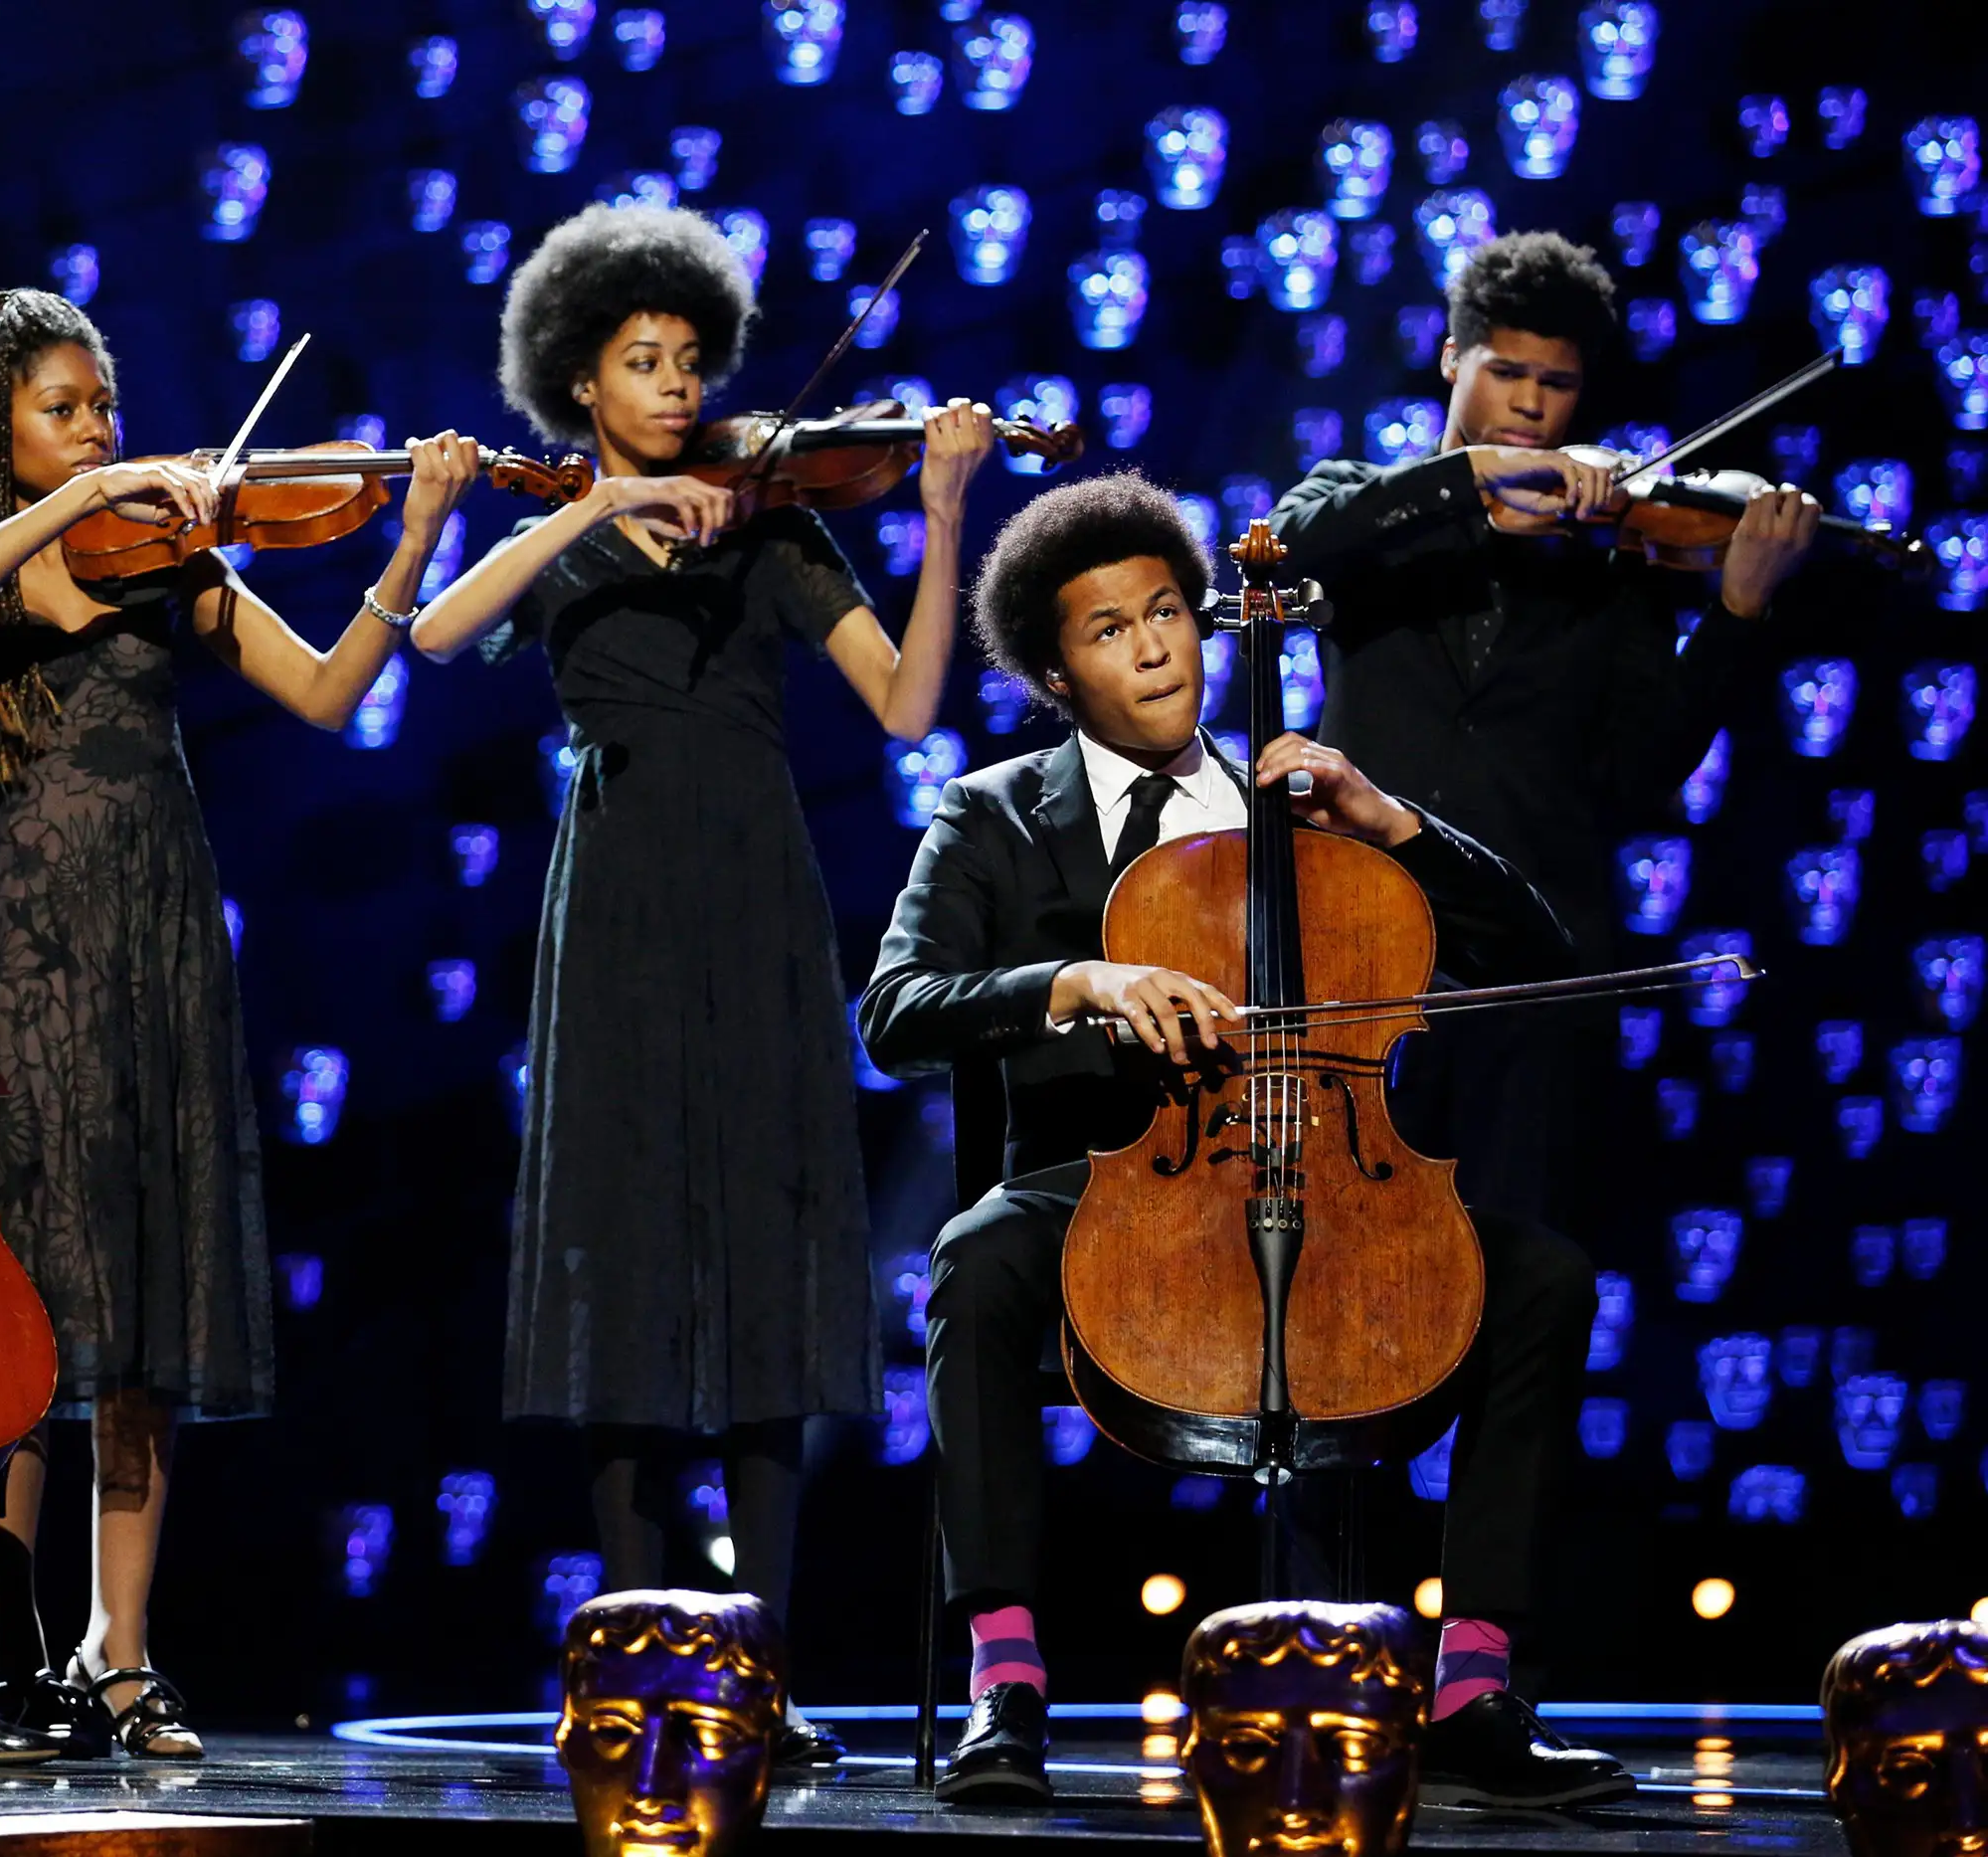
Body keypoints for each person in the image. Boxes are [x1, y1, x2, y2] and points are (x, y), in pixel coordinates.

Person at [857, 473, 1636, 1810]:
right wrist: (1076, 982)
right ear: (1056, 667)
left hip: (1332, 1180)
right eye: (1111, 629)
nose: (1156, 644)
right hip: (1104, 1186)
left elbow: (1537, 958)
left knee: (1546, 1278)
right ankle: (1006, 1677)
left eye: (1169, 611)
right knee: (975, 1258)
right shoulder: (990, 815)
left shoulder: (1298, 799)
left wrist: (1394, 824)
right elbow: (896, 1007)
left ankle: (1473, 1684)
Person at [411, 202, 994, 1765]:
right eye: (639, 363)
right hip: (611, 901)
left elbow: (907, 697)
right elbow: (436, 627)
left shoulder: (776, 519)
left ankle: (762, 1671)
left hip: (754, 891)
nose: (673, 388)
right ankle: (634, 1648)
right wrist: (595, 509)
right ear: (582, 384)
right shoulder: (569, 525)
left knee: (764, 1258)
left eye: (685, 362)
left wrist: (941, 511)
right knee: (629, 1264)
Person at [0, 286, 479, 1760]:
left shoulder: (177, 567)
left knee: (140, 1304)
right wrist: (87, 492)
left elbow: (331, 697)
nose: (100, 429)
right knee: (28, 1317)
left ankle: (118, 1646)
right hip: (30, 954)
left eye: (105, 406)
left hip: (159, 944)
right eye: (64, 408)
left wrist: (407, 538)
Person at [1267, 230, 1819, 1228]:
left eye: (1555, 384)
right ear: (1450, 359)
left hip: (1534, 971)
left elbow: (1638, 774)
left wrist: (1734, 617)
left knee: (1525, 1280)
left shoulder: (1614, 562)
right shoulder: (1369, 507)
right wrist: (1470, 484)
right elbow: (1292, 544)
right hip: (1353, 951)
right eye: (1504, 372)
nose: (1528, 404)